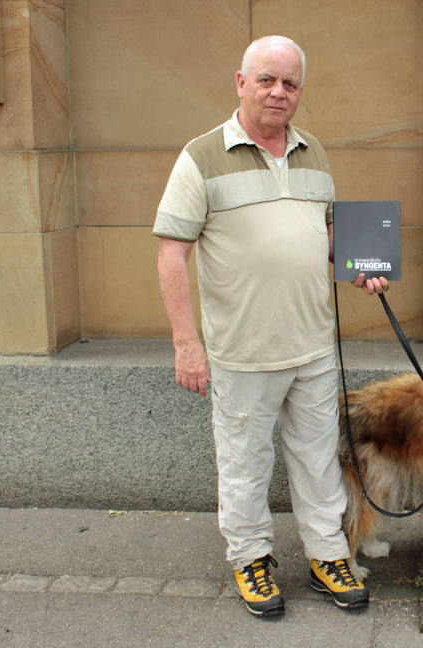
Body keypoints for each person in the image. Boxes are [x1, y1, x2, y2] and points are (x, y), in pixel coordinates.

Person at [153, 35, 388, 618]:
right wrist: (188, 345)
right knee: (244, 463)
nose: (278, 92)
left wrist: (361, 266)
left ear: (300, 91)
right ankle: (251, 558)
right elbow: (170, 254)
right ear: (241, 82)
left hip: (312, 347)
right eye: (266, 79)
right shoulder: (200, 156)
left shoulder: (314, 152)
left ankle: (328, 552)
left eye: (289, 83)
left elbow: (326, 233)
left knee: (318, 459)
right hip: (242, 353)